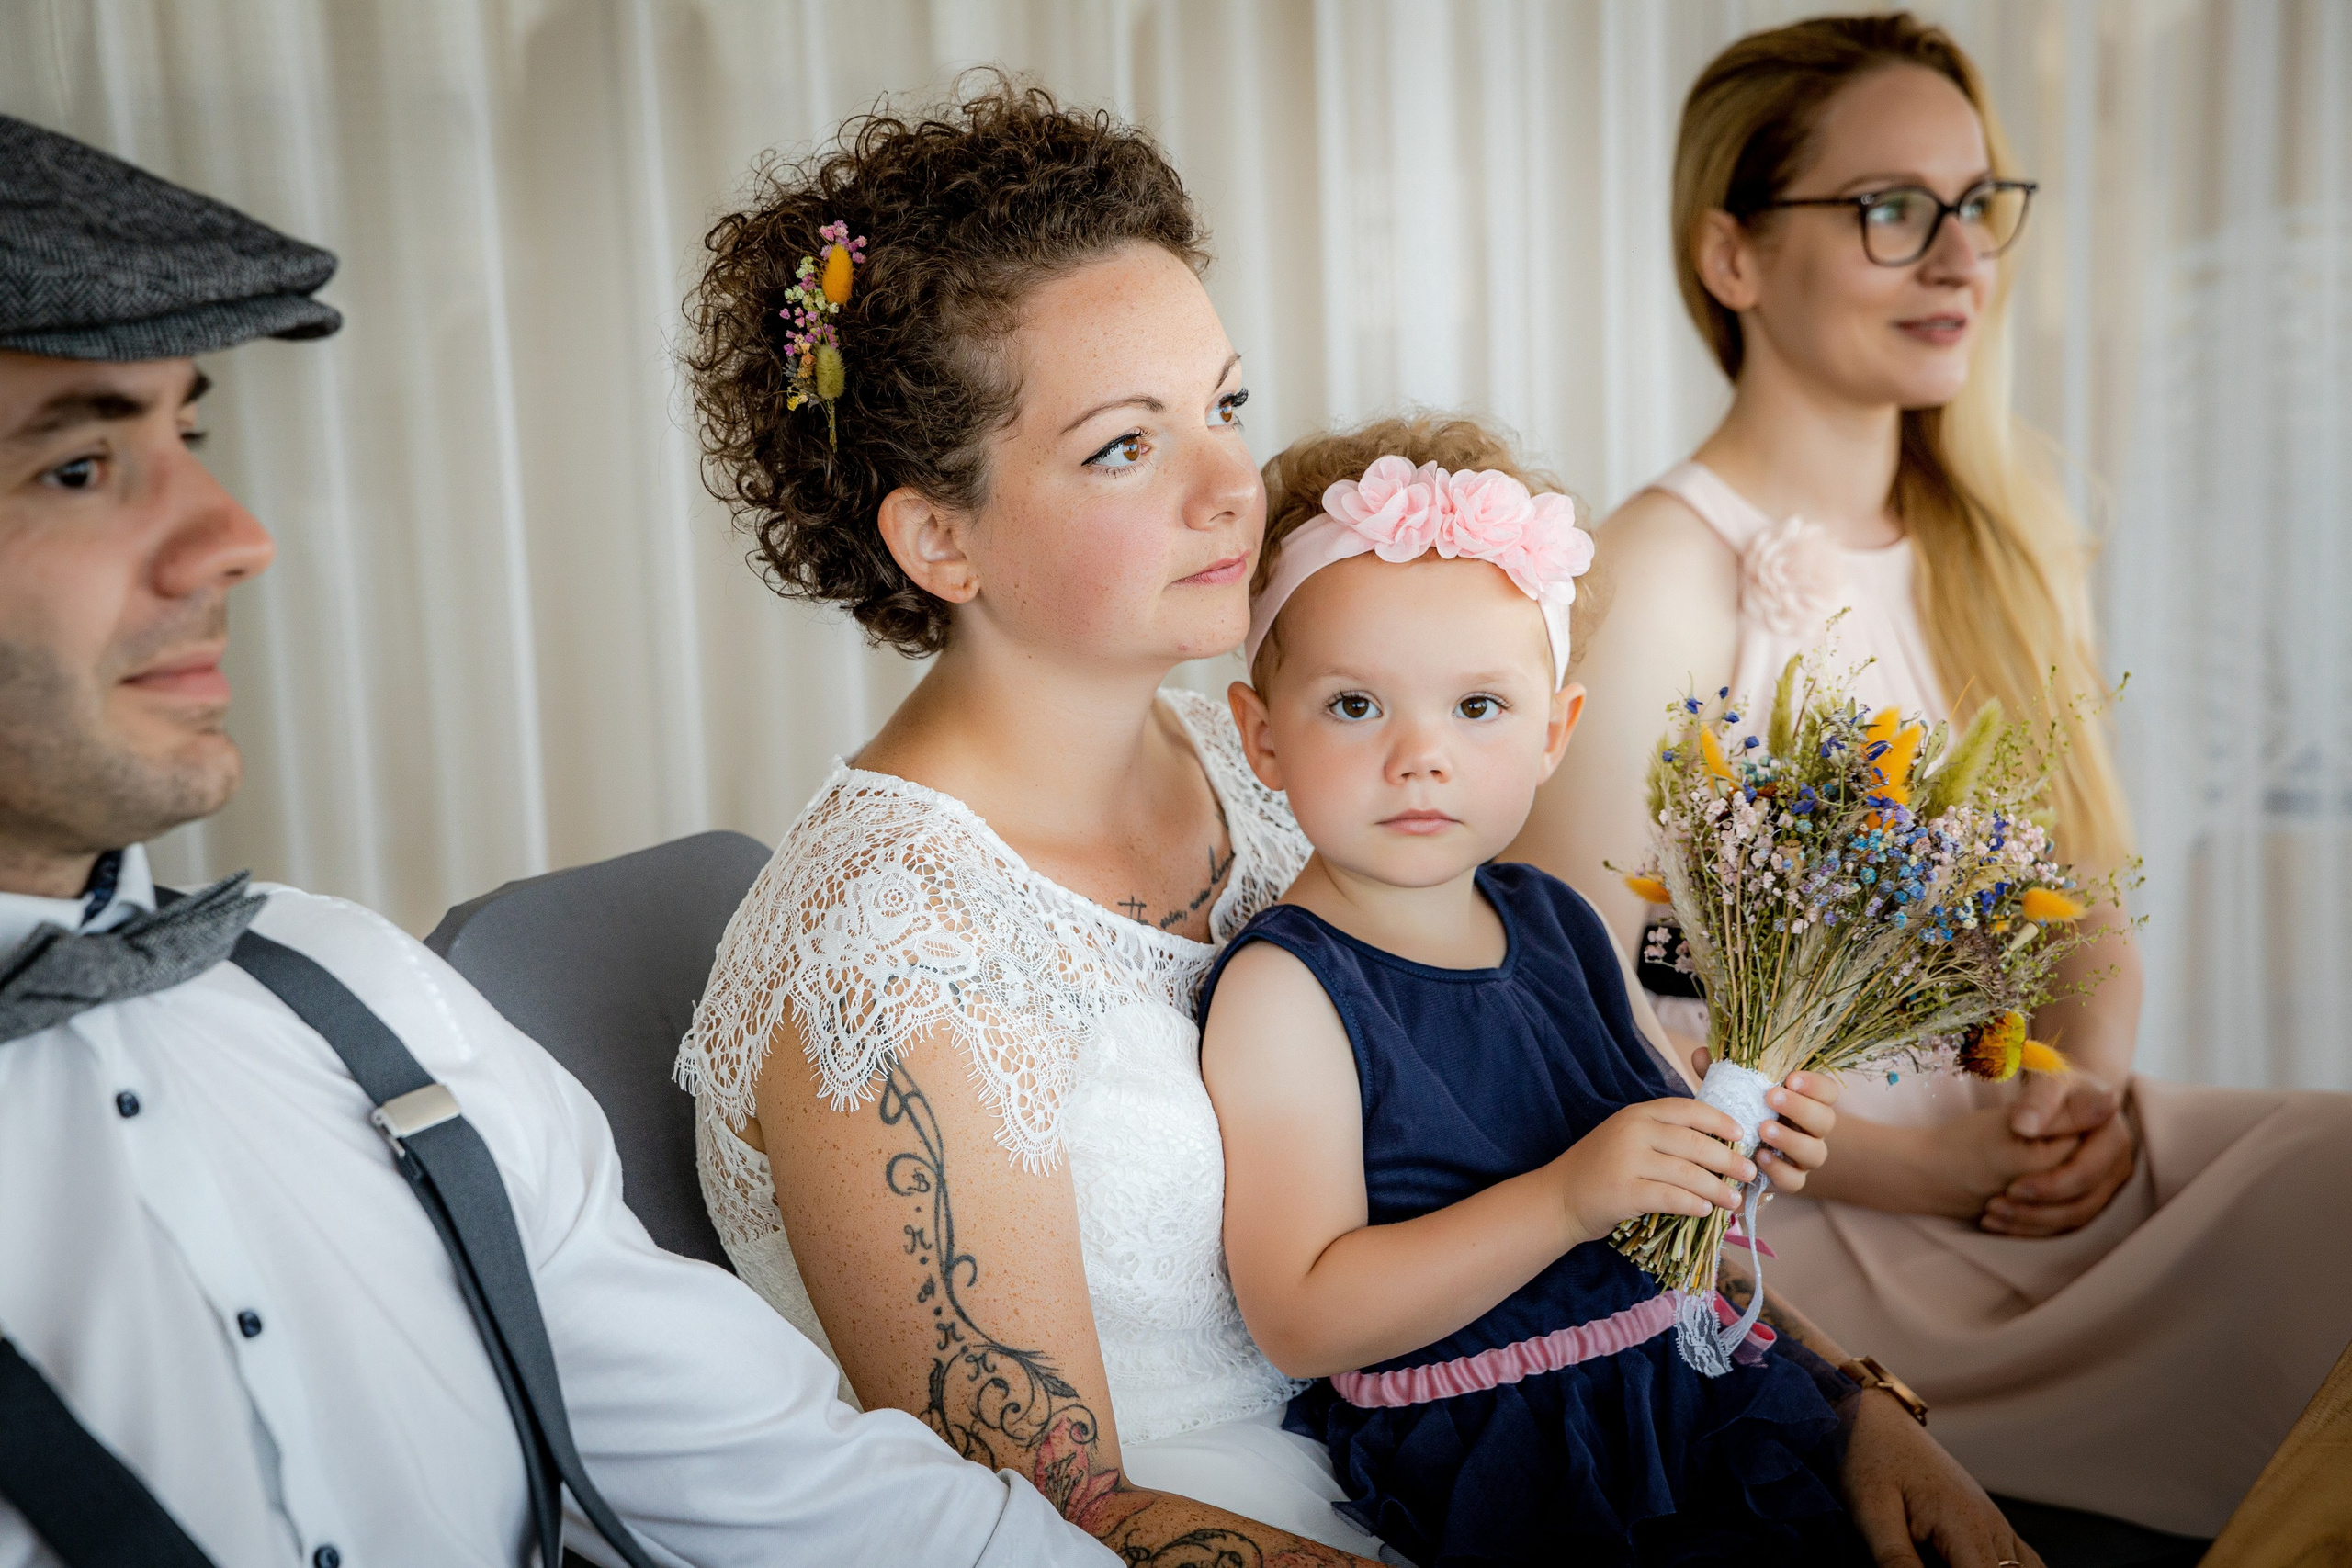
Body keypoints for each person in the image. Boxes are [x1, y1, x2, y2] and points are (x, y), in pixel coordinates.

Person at [676, 80, 2031, 1568]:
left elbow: (1558, 1175)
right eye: (1128, 446)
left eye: (1227, 407)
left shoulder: (1294, 766)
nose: (1229, 488)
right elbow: (1050, 1505)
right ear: (940, 534)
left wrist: (1850, 1403)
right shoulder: (880, 960)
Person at [0, 113, 1119, 1568]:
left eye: (191, 434)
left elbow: (818, 1488)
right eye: (77, 467)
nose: (235, 535)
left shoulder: (348, 990)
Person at [1507, 13, 2352, 1539]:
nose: (1960, 255)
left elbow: (2081, 908)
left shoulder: (2009, 548)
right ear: (1735, 256)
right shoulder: (1655, 573)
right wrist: (1919, 1172)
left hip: (2013, 1176)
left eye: (1980, 205)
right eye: (1892, 209)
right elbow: (1587, 1025)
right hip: (1809, 1220)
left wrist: (2073, 1096)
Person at [1198, 415, 2036, 1568]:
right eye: (1354, 705)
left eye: (1477, 707)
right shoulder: (1288, 988)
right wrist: (1564, 1199)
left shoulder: (1563, 922)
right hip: (1519, 1446)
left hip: (1691, 1393)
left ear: (1556, 731)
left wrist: (1740, 1140)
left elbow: (1658, 1195)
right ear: (1261, 737)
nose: (1418, 755)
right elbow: (1300, 1315)